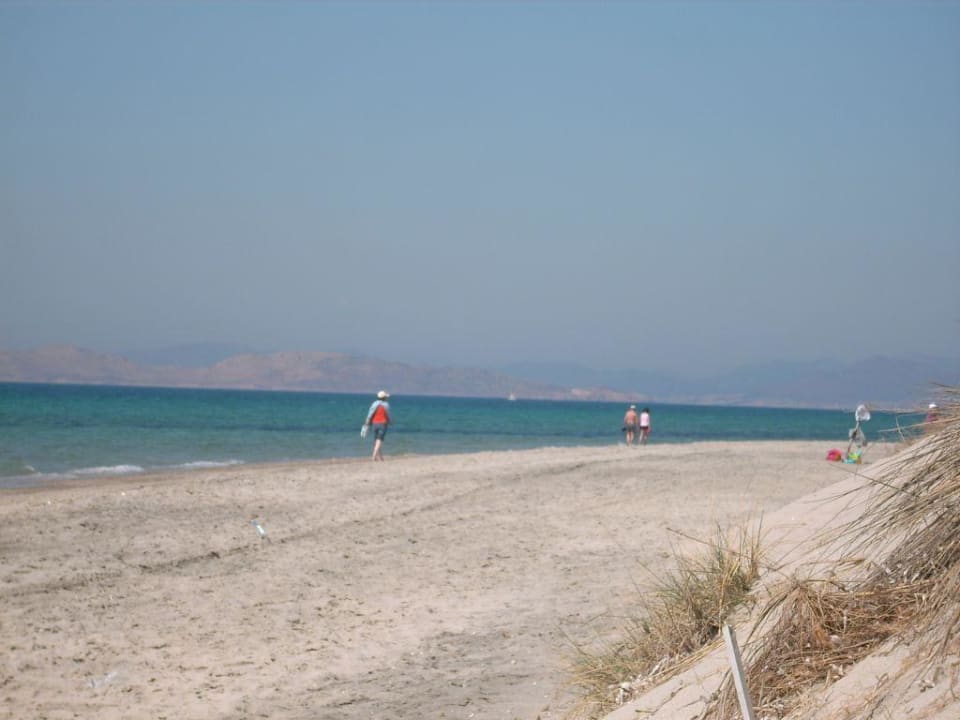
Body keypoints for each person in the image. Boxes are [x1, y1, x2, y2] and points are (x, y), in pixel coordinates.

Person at [363, 390, 392, 461]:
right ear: (384, 398)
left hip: (374, 423)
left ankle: (380, 457)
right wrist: (391, 421)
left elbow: (370, 413)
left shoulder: (374, 404)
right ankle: (373, 456)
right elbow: (388, 415)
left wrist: (367, 422)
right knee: (379, 440)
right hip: (383, 423)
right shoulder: (386, 405)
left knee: (377, 440)